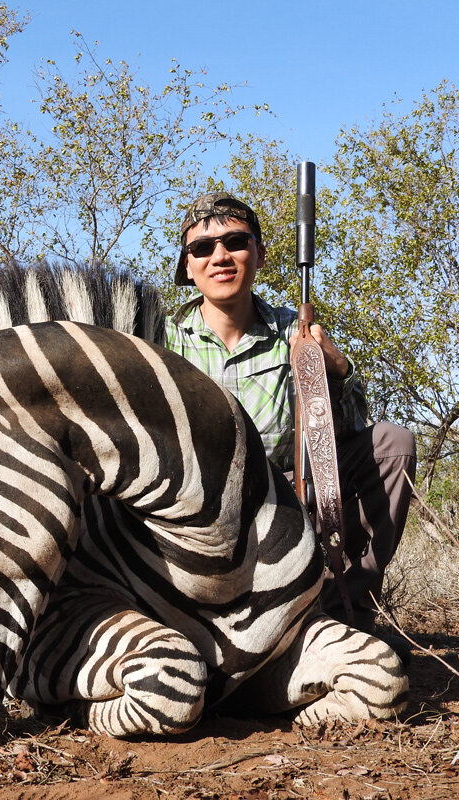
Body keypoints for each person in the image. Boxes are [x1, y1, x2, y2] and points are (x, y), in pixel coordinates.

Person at [164, 191, 416, 636]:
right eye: (202, 248)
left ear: (259, 255)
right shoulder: (158, 339)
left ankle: (344, 608)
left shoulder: (293, 331)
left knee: (392, 445)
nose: (220, 256)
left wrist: (333, 372)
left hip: (285, 499)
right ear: (188, 267)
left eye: (236, 243)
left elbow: (350, 427)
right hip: (197, 508)